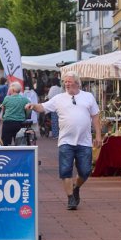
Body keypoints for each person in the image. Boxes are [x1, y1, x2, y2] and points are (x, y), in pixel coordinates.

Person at [26, 71, 101, 210]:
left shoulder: (88, 97)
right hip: (65, 141)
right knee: (66, 170)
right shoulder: (59, 98)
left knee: (85, 171)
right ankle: (70, 198)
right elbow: (43, 107)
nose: (66, 83)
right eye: (65, 81)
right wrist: (33, 105)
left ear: (77, 82)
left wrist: (98, 135)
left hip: (84, 141)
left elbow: (95, 116)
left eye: (69, 81)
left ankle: (76, 187)